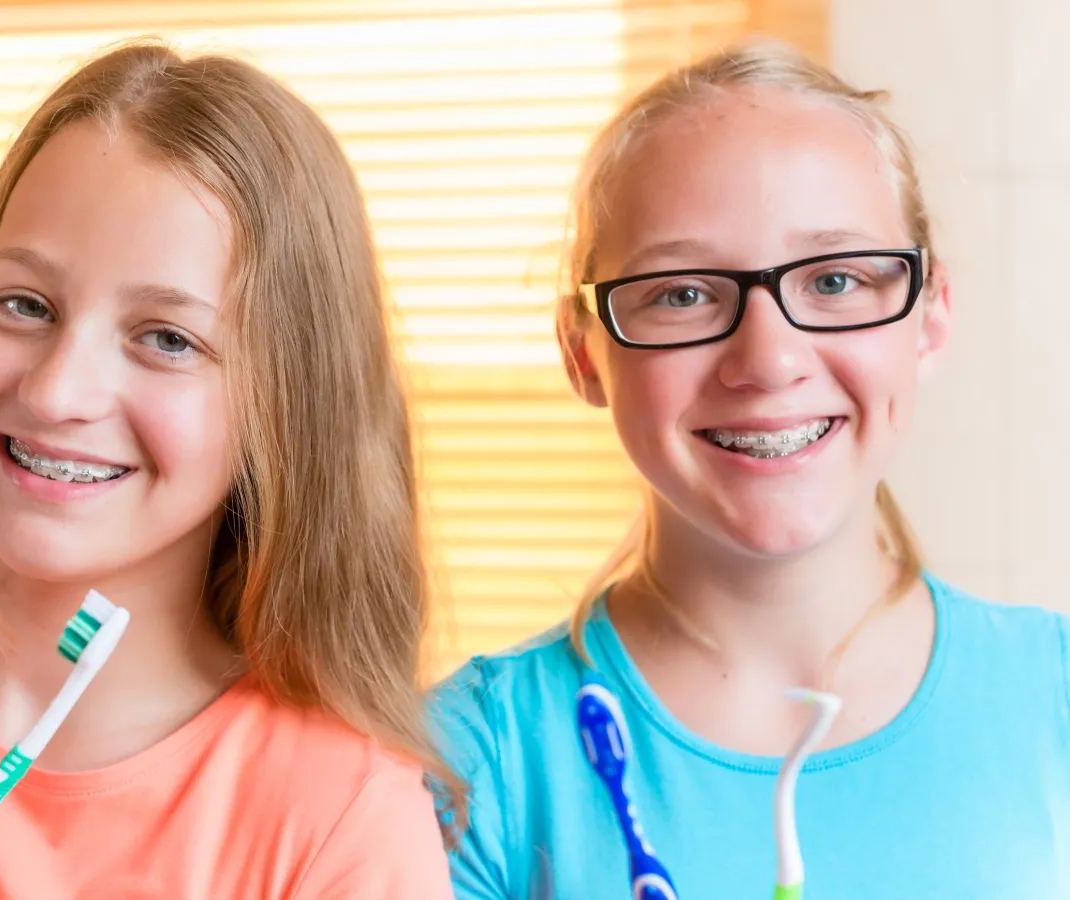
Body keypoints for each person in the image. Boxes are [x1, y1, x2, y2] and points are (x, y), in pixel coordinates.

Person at [0, 40, 454, 899]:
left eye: (167, 339)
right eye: (25, 304)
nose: (56, 390)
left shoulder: (344, 818)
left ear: (289, 406)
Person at [429, 40, 1070, 899]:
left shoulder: (1055, 698)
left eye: (835, 281)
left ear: (930, 319)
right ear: (582, 352)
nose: (768, 361)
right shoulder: (472, 765)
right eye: (683, 293)